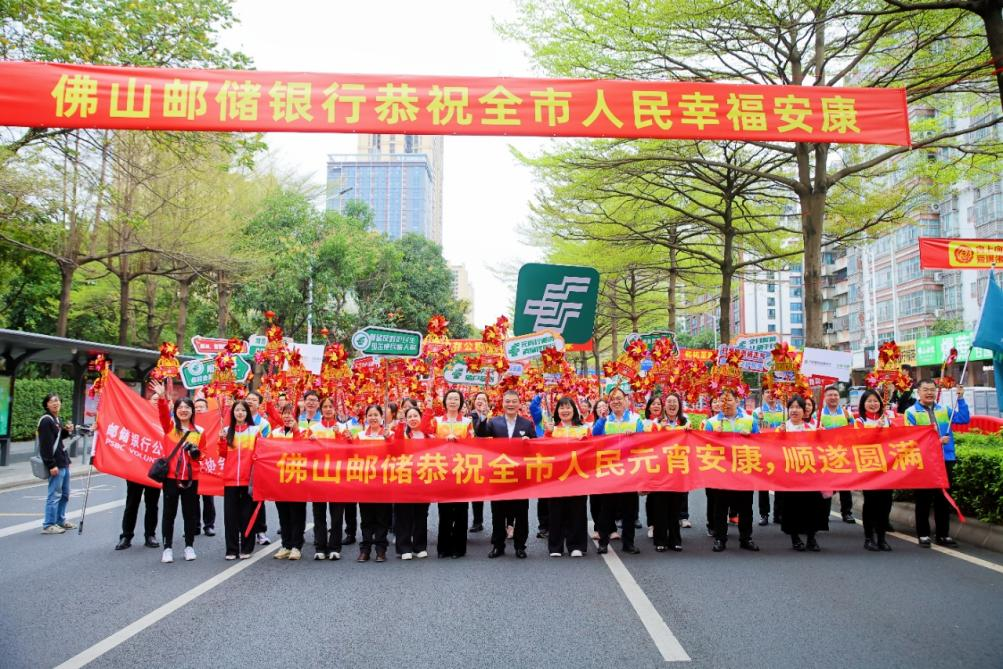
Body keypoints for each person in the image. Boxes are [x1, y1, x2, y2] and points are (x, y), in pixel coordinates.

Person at [905, 379, 969, 548]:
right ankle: (923, 534)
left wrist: (961, 398)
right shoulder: (911, 412)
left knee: (943, 499)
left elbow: (964, 418)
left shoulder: (944, 409)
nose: (929, 393)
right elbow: (910, 439)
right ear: (918, 392)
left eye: (932, 390)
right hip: (924, 461)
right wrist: (936, 442)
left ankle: (943, 534)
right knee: (923, 498)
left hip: (945, 459)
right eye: (925, 389)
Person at [477, 389, 537, 559]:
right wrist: (482, 417)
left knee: (521, 513)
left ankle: (520, 546)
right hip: (499, 474)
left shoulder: (527, 424)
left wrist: (529, 442)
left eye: (513, 401)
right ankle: (498, 545)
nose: (511, 404)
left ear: (519, 404)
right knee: (498, 512)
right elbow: (481, 433)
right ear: (502, 404)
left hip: (520, 476)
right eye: (507, 401)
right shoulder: (494, 422)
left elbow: (536, 447)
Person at [150, 381, 204, 564]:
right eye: (180, 407)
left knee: (190, 514)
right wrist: (162, 398)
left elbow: (202, 455)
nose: (183, 410)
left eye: (187, 407)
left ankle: (189, 546)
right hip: (171, 478)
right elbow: (163, 413)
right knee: (169, 514)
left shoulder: (199, 432)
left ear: (192, 411)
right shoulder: (170, 427)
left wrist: (196, 453)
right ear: (176, 410)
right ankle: (167, 548)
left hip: (190, 479)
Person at [705, 388, 760, 552]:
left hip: (744, 469)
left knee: (746, 507)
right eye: (722, 400)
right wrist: (714, 437)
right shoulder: (712, 423)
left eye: (729, 400)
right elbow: (704, 448)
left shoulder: (750, 421)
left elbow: (761, 444)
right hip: (722, 471)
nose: (725, 403)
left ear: (737, 401)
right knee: (720, 508)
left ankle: (746, 538)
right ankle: (720, 539)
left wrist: (750, 437)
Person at [591, 387, 643, 555]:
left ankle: (629, 543)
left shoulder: (636, 419)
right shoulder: (605, 420)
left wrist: (634, 436)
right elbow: (595, 437)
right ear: (609, 403)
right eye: (613, 399)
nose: (616, 401)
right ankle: (603, 542)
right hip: (609, 470)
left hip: (629, 471)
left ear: (626, 400)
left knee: (629, 510)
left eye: (619, 398)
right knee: (606, 509)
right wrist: (601, 420)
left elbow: (643, 442)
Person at [776, 396, 828, 552]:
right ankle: (795, 538)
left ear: (804, 411)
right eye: (791, 407)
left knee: (812, 506)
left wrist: (822, 436)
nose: (794, 410)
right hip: (790, 475)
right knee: (792, 507)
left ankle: (811, 538)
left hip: (810, 474)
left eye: (798, 407)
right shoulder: (782, 429)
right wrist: (780, 436)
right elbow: (773, 449)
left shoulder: (812, 428)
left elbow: (824, 448)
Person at [544, 397, 589, 557]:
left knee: (577, 511)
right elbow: (543, 450)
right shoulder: (553, 429)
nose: (565, 410)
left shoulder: (584, 429)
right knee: (555, 511)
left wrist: (586, 441)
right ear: (557, 411)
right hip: (556, 477)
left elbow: (592, 450)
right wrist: (548, 433)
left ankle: (576, 545)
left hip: (577, 476)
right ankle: (555, 546)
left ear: (574, 410)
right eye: (561, 408)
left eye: (568, 407)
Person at [433, 390, 475, 558]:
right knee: (444, 511)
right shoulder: (436, 421)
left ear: (460, 402)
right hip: (442, 471)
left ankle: (459, 548)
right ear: (445, 402)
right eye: (450, 398)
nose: (453, 401)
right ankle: (443, 548)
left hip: (461, 471)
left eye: (456, 399)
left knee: (461, 511)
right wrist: (443, 440)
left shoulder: (467, 422)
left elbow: (472, 444)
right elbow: (429, 442)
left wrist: (458, 439)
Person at [219, 399, 261, 560]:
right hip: (230, 481)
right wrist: (222, 440)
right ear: (233, 413)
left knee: (247, 516)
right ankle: (231, 549)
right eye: (237, 410)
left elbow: (261, 453)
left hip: (249, 481)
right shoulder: (226, 431)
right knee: (230, 517)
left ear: (247, 413)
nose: (240, 413)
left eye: (243, 410)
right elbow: (223, 454)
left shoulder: (255, 431)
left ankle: (246, 548)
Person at [306, 396, 345, 561]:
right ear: (320, 409)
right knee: (319, 514)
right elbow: (306, 452)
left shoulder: (342, 428)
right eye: (325, 407)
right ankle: (320, 547)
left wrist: (340, 436)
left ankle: (335, 547)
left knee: (337, 515)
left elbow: (349, 451)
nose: (328, 409)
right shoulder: (313, 428)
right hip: (318, 477)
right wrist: (310, 442)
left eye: (330, 406)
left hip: (337, 476)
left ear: (335, 409)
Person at [856, 389, 894, 552]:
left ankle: (882, 537)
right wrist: (876, 430)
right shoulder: (859, 421)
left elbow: (899, 439)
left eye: (876, 401)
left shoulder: (888, 421)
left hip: (887, 468)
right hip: (869, 468)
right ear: (863, 404)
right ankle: (869, 537)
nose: (873, 404)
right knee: (871, 503)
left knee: (886, 503)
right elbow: (860, 441)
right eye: (869, 401)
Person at [649, 392, 687, 552]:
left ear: (679, 405)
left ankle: (675, 539)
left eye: (675, 402)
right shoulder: (656, 423)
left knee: (675, 507)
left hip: (678, 469)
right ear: (665, 406)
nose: (672, 404)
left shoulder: (685, 423)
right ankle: (660, 540)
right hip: (660, 470)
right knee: (660, 506)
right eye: (669, 402)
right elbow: (649, 442)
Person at [354, 404, 392, 563]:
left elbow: (399, 453)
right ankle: (365, 549)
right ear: (366, 418)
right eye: (370, 415)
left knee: (383, 518)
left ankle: (381, 549)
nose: (373, 418)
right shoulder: (361, 435)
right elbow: (351, 455)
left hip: (384, 482)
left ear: (382, 417)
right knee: (366, 518)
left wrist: (390, 440)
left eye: (376, 415)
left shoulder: (389, 434)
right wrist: (347, 440)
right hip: (365, 483)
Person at [393, 407, 430, 560]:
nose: (413, 419)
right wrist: (400, 424)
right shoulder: (402, 434)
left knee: (421, 514)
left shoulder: (429, 436)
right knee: (403, 514)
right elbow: (395, 445)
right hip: (404, 479)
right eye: (410, 416)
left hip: (422, 480)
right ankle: (404, 547)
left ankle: (419, 546)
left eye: (416, 416)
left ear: (421, 418)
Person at [271, 404, 307, 560]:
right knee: (283, 514)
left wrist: (296, 430)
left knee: (297, 514)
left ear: (296, 416)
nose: (287, 416)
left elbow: (302, 450)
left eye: (290, 413)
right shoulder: (274, 433)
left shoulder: (304, 432)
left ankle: (296, 546)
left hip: (297, 479)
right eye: (284, 413)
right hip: (280, 480)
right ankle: (285, 545)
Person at [818, 385, 856, 523]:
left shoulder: (847, 414)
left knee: (845, 486)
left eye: (835, 395)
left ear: (839, 397)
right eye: (830, 395)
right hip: (825, 454)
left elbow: (854, 432)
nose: (833, 397)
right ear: (824, 398)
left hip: (843, 454)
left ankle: (847, 513)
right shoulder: (819, 415)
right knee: (827, 487)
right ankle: (824, 515)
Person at [38, 393, 74, 535]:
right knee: (54, 495)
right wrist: (51, 465)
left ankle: (60, 520)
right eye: (52, 401)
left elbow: (57, 439)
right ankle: (49, 524)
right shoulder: (46, 421)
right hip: (56, 463)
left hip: (62, 461)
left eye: (57, 400)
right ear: (46, 404)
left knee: (65, 494)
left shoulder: (56, 419)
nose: (56, 403)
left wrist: (66, 431)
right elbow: (45, 445)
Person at [753, 389, 785, 526]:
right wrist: (761, 421)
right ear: (762, 395)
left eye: (773, 392)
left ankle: (778, 513)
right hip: (764, 451)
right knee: (763, 485)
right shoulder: (757, 412)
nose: (771, 395)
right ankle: (764, 514)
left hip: (781, 452)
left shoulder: (784, 411)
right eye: (767, 392)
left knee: (780, 484)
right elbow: (757, 432)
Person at [245, 391, 273, 546]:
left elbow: (266, 445)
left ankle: (261, 531)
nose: (250, 401)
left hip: (257, 466)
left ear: (259, 404)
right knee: (242, 500)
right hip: (241, 466)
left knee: (257, 499)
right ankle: (244, 531)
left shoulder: (264, 424)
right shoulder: (238, 420)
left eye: (254, 400)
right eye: (248, 399)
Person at [468, 391, 492, 533]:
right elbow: (477, 431)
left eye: (484, 399)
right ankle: (478, 521)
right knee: (476, 489)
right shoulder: (470, 416)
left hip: (491, 456)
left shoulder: (494, 416)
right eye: (478, 398)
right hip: (474, 456)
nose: (480, 401)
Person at [192, 397, 216, 537]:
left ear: (207, 409)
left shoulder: (214, 422)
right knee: (192, 498)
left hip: (208, 465)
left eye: (202, 407)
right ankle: (194, 526)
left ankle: (209, 525)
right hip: (193, 466)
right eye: (196, 407)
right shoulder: (189, 423)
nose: (199, 409)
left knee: (208, 498)